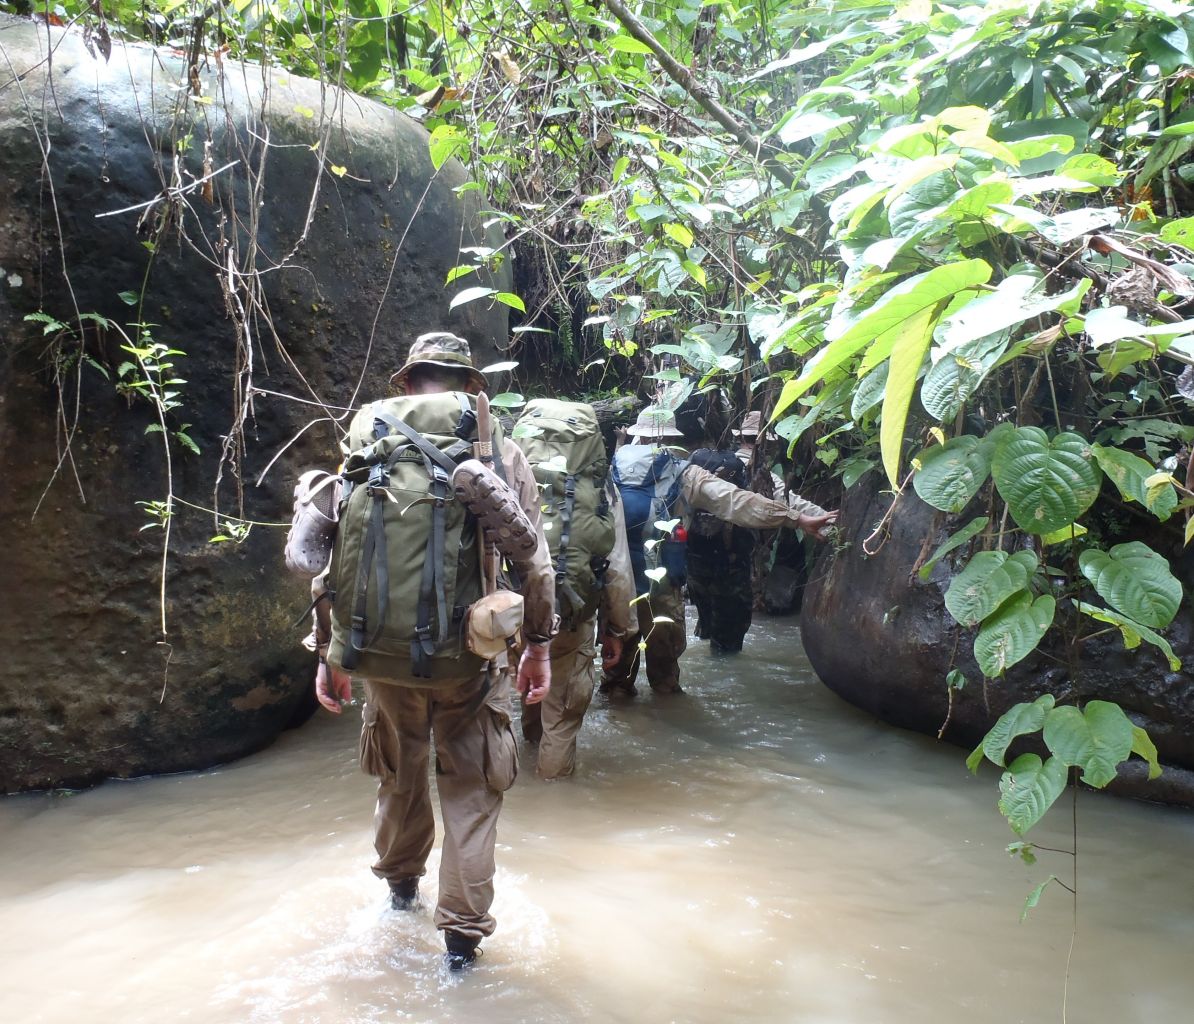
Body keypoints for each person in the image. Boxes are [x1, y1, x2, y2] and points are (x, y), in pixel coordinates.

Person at [305, 333, 556, 972]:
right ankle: (461, 949)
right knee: (472, 792)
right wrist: (539, 650)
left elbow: (334, 560)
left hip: (379, 656)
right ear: (470, 385)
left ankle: (398, 895)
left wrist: (327, 655)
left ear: (408, 381)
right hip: (470, 659)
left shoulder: (367, 447)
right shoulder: (498, 451)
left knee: (399, 771)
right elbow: (537, 563)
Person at [600, 407, 836, 696]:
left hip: (616, 584)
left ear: (636, 435)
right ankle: (668, 725)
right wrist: (795, 518)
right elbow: (737, 502)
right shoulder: (684, 473)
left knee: (616, 679)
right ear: (673, 438)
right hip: (662, 584)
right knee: (664, 679)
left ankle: (621, 717)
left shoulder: (608, 468)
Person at [686, 445, 755, 653]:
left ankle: (705, 633)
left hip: (695, 571)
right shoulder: (738, 490)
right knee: (727, 647)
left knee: (706, 624)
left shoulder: (688, 494)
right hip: (730, 573)